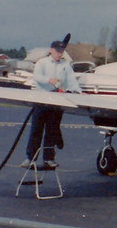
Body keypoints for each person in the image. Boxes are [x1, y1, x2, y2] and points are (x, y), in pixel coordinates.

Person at [22, 38, 81, 169]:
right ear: (51, 50)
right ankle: (30, 158)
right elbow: (37, 77)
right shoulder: (42, 63)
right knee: (36, 130)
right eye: (57, 51)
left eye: (62, 51)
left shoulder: (65, 65)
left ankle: (49, 158)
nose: (59, 53)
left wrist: (78, 92)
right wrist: (49, 80)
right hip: (42, 100)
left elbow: (72, 81)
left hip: (57, 102)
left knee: (52, 131)